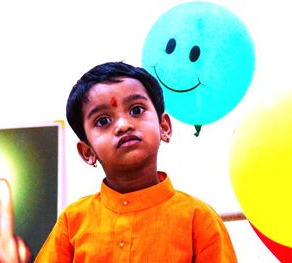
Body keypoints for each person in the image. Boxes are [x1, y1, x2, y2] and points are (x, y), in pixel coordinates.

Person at [35, 61, 238, 262]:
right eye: (103, 121)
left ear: (164, 127)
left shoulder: (199, 219)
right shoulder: (73, 222)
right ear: (87, 151)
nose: (123, 125)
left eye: (136, 110)